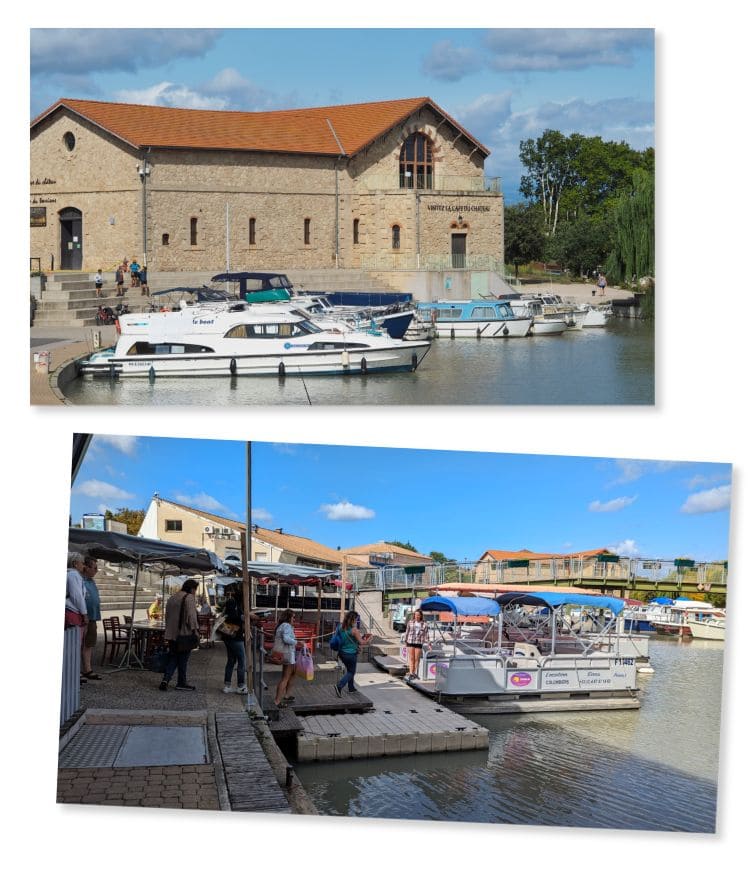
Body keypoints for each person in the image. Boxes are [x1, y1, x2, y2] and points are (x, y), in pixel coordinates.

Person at [160, 579, 200, 691]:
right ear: (192, 588)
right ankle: (181, 682)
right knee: (183, 659)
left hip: (171, 634)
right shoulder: (189, 598)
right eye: (195, 589)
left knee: (174, 657)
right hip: (184, 634)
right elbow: (191, 617)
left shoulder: (173, 597)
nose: (195, 592)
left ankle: (165, 679)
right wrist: (195, 632)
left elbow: (167, 615)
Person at [220, 585, 258, 694]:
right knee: (242, 660)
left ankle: (227, 686)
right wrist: (248, 615)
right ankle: (241, 686)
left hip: (228, 637)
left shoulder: (231, 605)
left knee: (231, 660)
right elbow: (238, 617)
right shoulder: (236, 606)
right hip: (235, 637)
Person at [334, 610, 372, 697]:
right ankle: (339, 686)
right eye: (356, 619)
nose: (356, 621)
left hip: (341, 653)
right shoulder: (354, 630)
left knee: (349, 669)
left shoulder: (340, 627)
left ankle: (351, 687)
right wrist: (368, 639)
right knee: (351, 671)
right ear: (353, 619)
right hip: (350, 654)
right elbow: (362, 642)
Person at [81, 556, 103, 680]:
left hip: (92, 617)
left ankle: (87, 669)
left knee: (89, 644)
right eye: (95, 568)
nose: (97, 570)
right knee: (79, 644)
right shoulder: (80, 580)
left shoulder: (91, 581)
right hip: (83, 618)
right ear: (86, 567)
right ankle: (81, 669)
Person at [273, 609, 298, 706]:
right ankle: (277, 701)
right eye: (293, 617)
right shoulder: (287, 626)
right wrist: (297, 642)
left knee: (292, 673)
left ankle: (287, 695)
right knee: (285, 678)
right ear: (288, 617)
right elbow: (286, 639)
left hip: (286, 654)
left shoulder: (282, 625)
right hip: (288, 654)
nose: (294, 619)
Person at [403, 608, 430, 680]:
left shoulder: (424, 624)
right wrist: (405, 641)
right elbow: (407, 632)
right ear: (414, 615)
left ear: (421, 616)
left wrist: (429, 644)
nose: (417, 616)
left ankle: (413, 673)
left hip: (418, 642)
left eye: (418, 615)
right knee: (411, 658)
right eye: (415, 615)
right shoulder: (410, 622)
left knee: (417, 659)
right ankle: (411, 673)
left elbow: (426, 635)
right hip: (410, 641)